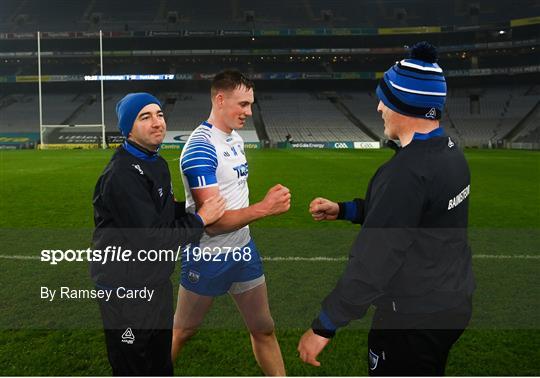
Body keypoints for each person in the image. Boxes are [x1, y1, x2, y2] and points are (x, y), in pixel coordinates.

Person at [297, 42, 475, 376]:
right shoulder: (452, 153)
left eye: (386, 99)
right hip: (453, 302)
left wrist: (324, 325)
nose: (379, 107)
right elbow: (413, 215)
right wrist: (345, 210)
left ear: (405, 104)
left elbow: (374, 261)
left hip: (412, 317)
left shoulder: (405, 173)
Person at [91, 92, 225, 376]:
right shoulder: (122, 175)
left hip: (154, 283)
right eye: (145, 117)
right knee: (133, 363)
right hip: (125, 289)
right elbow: (152, 238)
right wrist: (200, 219)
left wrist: (191, 207)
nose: (157, 123)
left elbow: (160, 215)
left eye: (160, 115)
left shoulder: (156, 162)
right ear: (127, 129)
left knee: (161, 362)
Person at [172, 70, 289, 376]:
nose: (249, 112)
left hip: (243, 250)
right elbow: (212, 224)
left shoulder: (234, 138)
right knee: (182, 333)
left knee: (264, 329)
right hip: (209, 255)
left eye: (251, 104)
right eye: (243, 104)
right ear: (220, 99)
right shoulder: (200, 148)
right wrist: (264, 208)